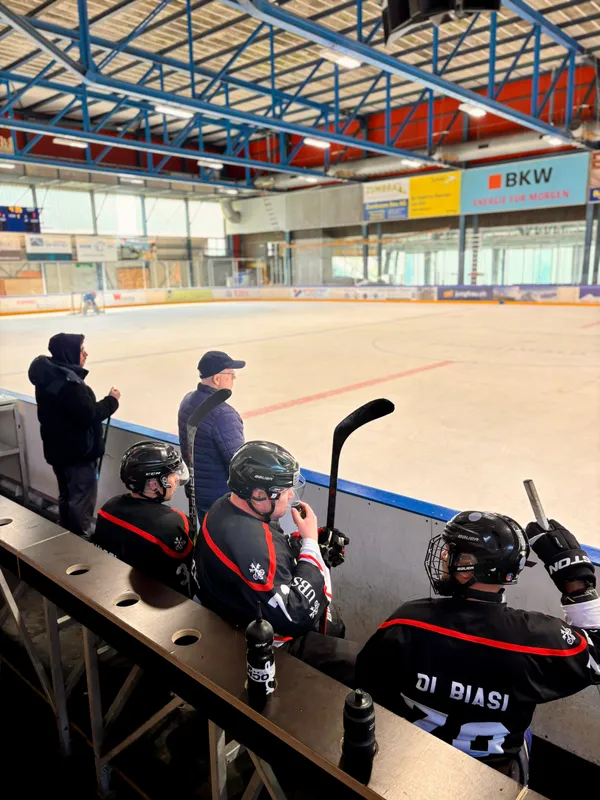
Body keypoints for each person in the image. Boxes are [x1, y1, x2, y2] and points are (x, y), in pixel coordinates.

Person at [355, 511, 600, 782]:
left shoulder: (408, 620)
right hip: (491, 779)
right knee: (524, 732)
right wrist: (576, 580)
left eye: (451, 552)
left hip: (410, 764)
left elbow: (367, 682)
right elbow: (597, 656)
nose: (444, 557)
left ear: (469, 567)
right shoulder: (539, 639)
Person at [191, 440, 357, 683]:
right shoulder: (249, 541)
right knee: (356, 662)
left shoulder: (227, 506)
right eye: (283, 490)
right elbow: (294, 615)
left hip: (227, 616)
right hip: (254, 647)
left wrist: (304, 541)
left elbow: (270, 549)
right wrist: (310, 544)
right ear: (259, 494)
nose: (290, 495)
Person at [28, 333, 120, 538]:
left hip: (58, 451)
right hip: (78, 454)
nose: (85, 353)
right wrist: (112, 400)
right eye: (81, 349)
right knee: (81, 499)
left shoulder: (50, 376)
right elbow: (89, 414)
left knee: (67, 496)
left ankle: (66, 533)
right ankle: (79, 539)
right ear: (68, 353)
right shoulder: (68, 384)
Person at [92, 441, 193, 595]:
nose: (177, 479)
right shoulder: (176, 524)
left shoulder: (108, 508)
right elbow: (185, 582)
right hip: (153, 606)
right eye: (172, 474)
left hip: (108, 590)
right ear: (153, 484)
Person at [178, 350, 245, 519]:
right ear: (217, 378)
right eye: (231, 374)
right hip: (219, 499)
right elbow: (238, 464)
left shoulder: (187, 400)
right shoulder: (224, 415)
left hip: (197, 492)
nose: (234, 379)